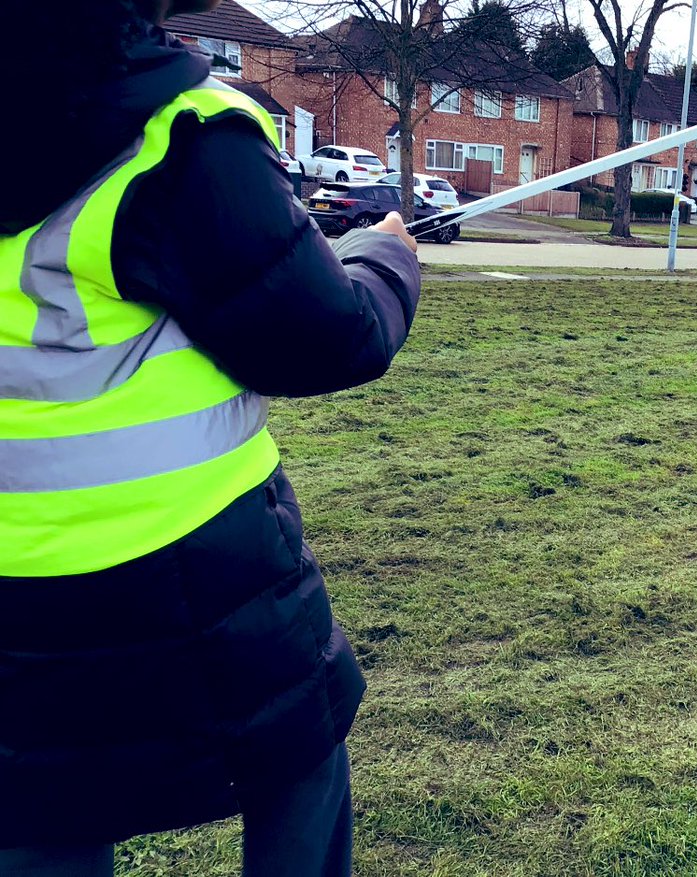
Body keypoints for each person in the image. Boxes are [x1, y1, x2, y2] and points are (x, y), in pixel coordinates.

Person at [1, 2, 421, 875]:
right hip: (199, 568)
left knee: (40, 806)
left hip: (18, 590)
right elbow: (326, 337)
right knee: (299, 759)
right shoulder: (180, 134)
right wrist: (384, 259)